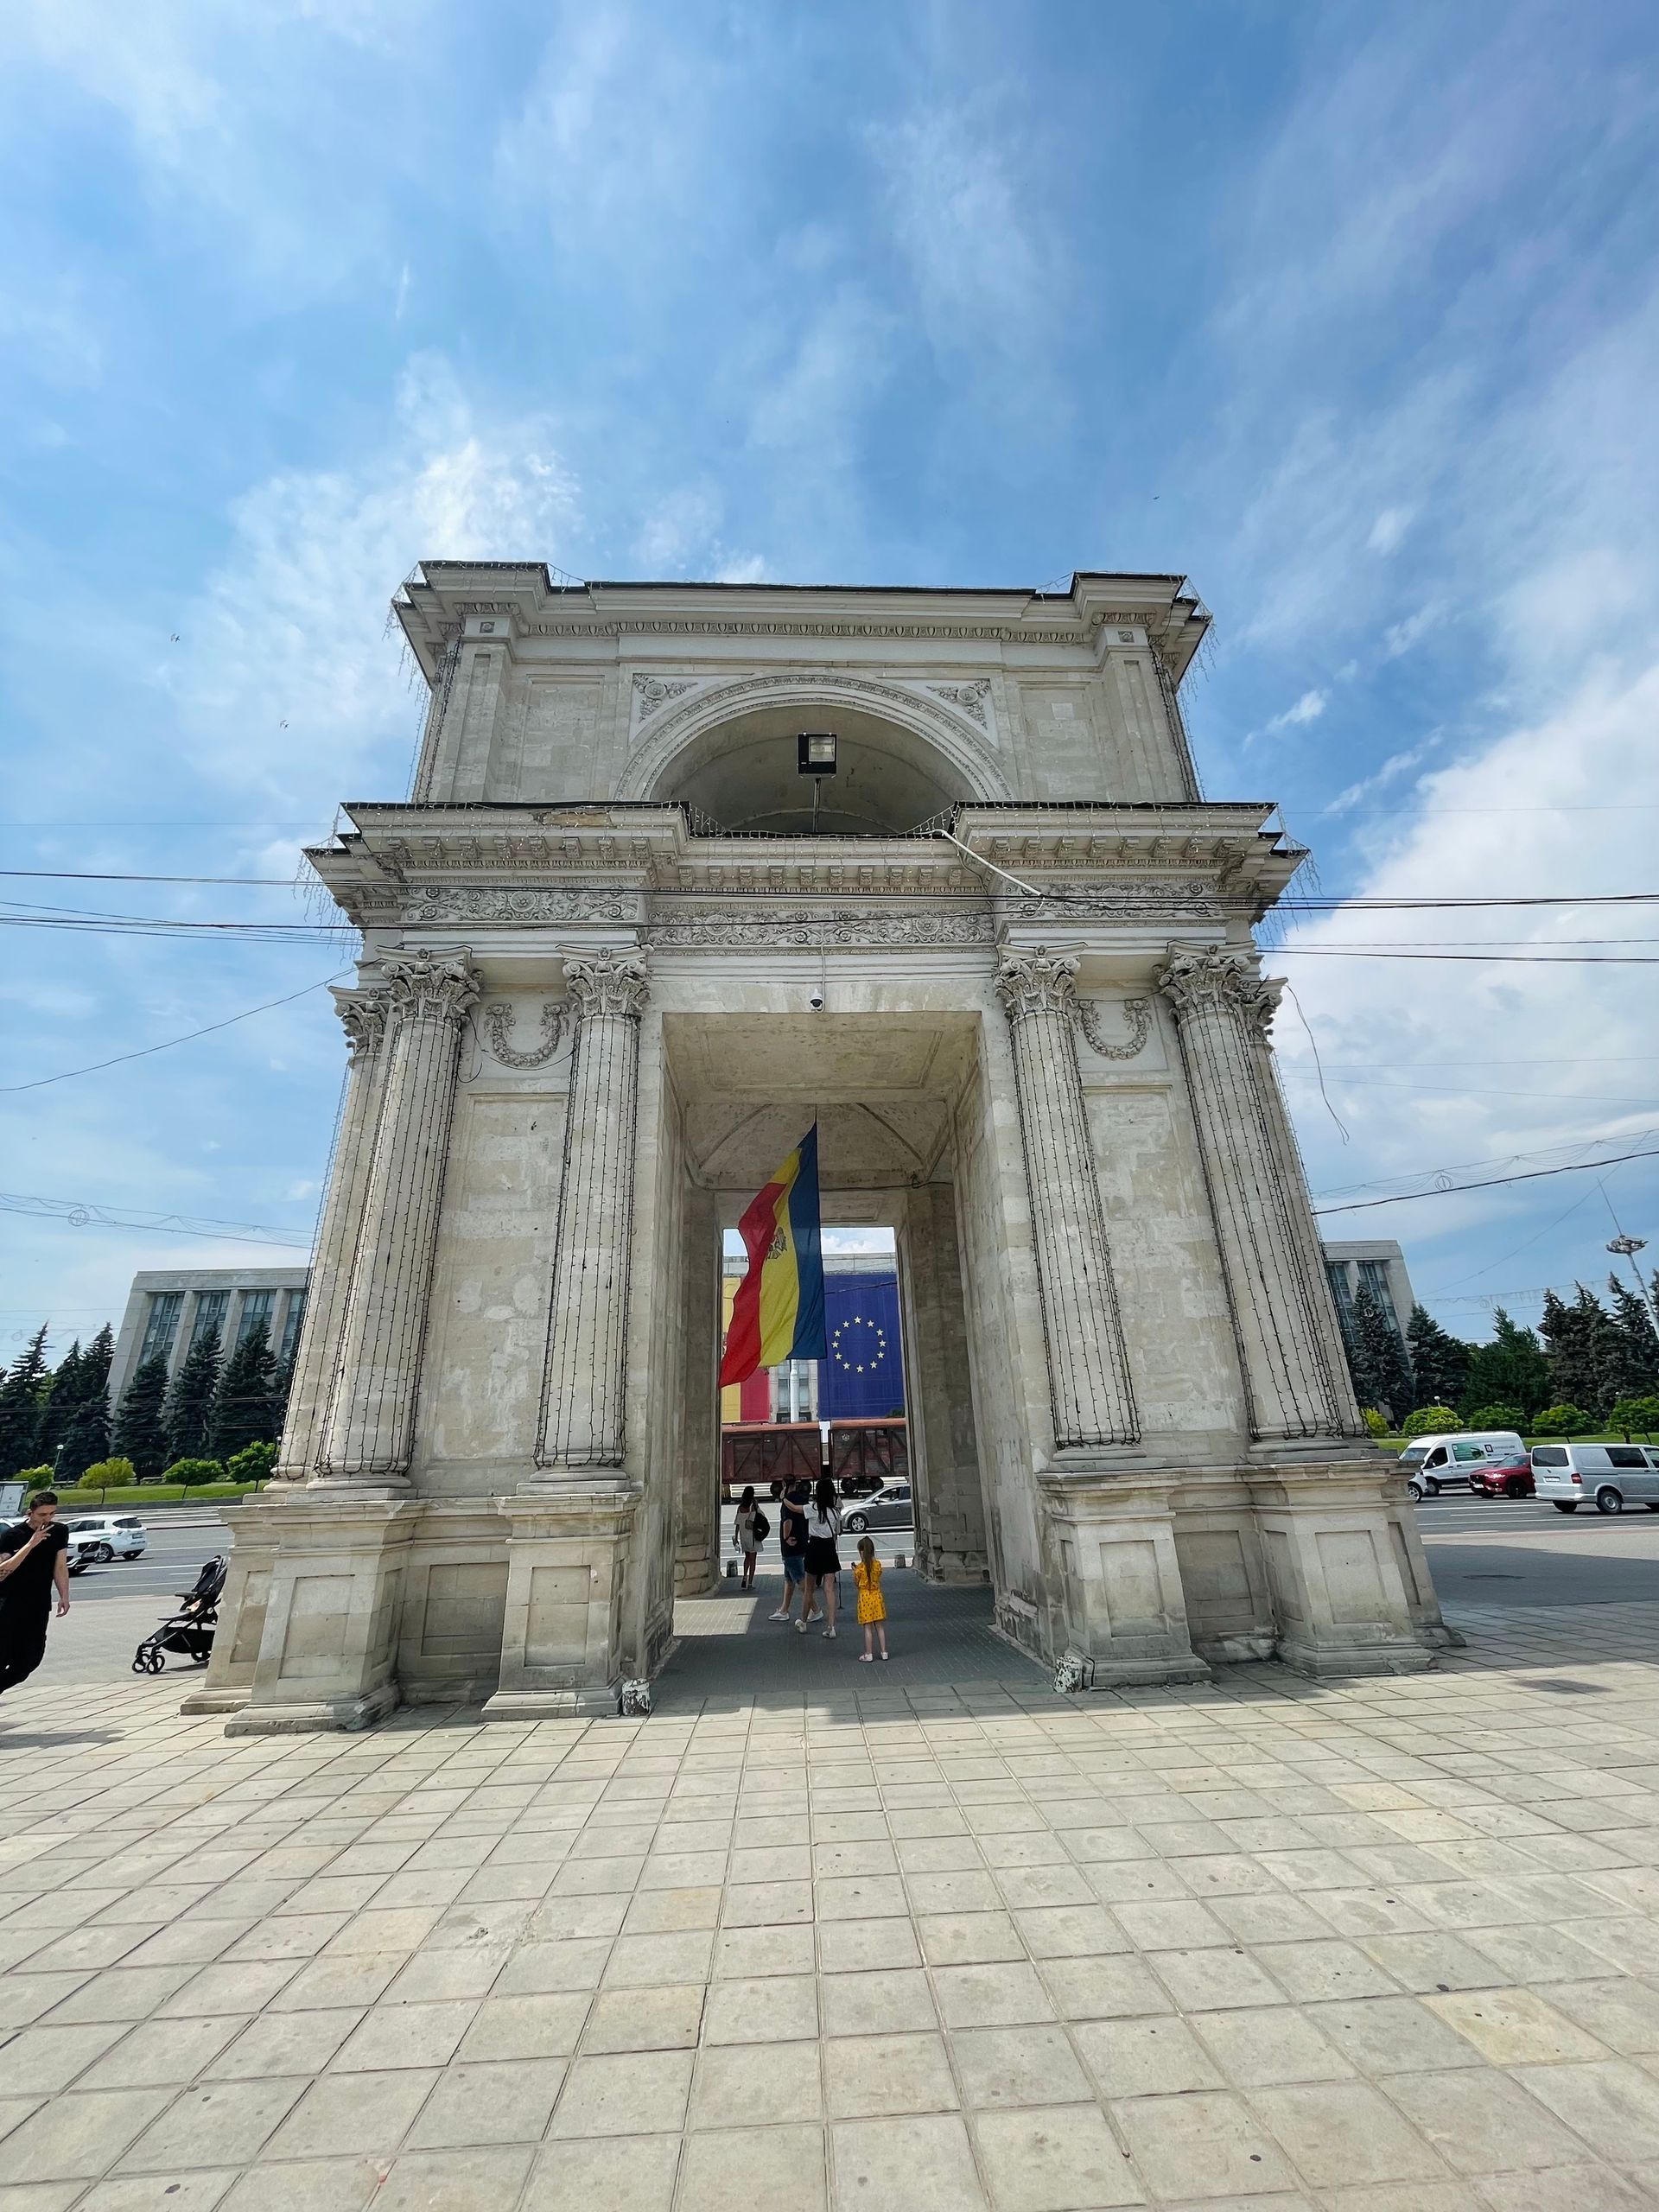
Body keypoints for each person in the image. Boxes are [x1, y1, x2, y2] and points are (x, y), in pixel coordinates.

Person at [0, 1491, 71, 1696]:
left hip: (38, 1604)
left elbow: (60, 1566)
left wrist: (64, 1596)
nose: (47, 1519)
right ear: (30, 1513)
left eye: (52, 1514)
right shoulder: (12, 1536)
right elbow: (3, 1570)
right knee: (3, 1655)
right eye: (42, 1515)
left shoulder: (59, 1532)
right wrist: (31, 1544)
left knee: (30, 1659)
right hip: (8, 1604)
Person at [798, 1476, 842, 1638]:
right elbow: (837, 1529)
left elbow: (797, 1509)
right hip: (829, 1548)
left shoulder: (813, 1508)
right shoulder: (834, 1512)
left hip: (814, 1547)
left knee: (809, 1588)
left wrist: (784, 1500)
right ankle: (831, 1627)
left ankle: (803, 1621)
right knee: (829, 1589)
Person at [770, 1476, 811, 1623]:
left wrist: (786, 1538)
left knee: (800, 1580)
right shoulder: (803, 1499)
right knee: (789, 1579)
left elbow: (787, 1521)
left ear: (783, 1484)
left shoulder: (787, 1503)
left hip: (790, 1546)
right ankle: (784, 1610)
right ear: (796, 1484)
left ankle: (815, 1609)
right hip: (802, 1541)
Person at [854, 1535, 888, 1662]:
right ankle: (884, 1652)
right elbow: (878, 1576)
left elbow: (857, 1584)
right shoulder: (877, 1565)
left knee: (868, 1627)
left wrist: (855, 1572)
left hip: (865, 1598)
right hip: (877, 1596)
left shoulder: (859, 1568)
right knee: (880, 1626)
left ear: (862, 1552)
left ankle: (869, 1653)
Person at [734, 1485, 765, 1590]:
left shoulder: (740, 1507)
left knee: (747, 1558)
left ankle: (744, 1577)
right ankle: (750, 1583)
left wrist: (736, 1536)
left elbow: (737, 1524)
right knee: (753, 1560)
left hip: (743, 1536)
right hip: (752, 1536)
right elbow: (761, 1515)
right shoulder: (753, 1505)